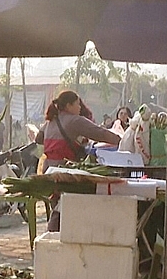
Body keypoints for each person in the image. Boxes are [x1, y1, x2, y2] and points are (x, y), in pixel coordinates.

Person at [41, 90, 121, 232]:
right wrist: (121, 140)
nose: (80, 107)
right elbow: (99, 133)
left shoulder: (50, 122)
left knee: (58, 207)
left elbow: (38, 139)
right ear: (68, 105)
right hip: (65, 171)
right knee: (64, 208)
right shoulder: (74, 120)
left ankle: (54, 236)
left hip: (49, 170)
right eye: (77, 104)